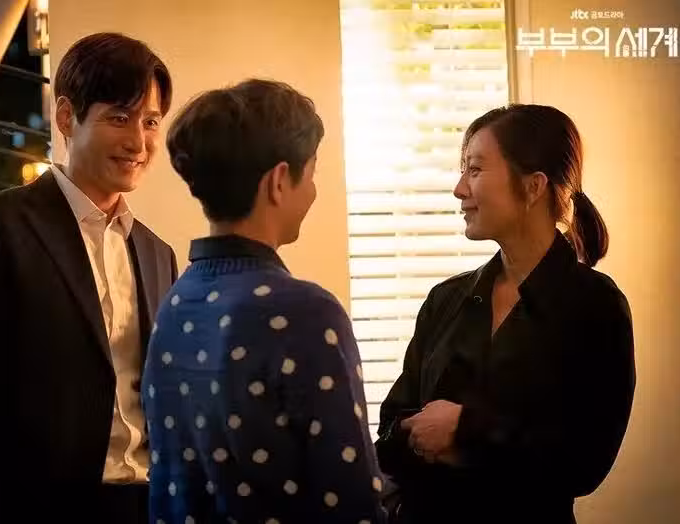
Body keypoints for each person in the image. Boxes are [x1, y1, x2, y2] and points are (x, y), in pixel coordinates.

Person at [0, 32, 176, 523]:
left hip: (147, 505)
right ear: (66, 117)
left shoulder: (157, 253)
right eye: (119, 117)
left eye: (150, 122)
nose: (138, 142)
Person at [375, 104, 636, 524]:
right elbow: (390, 431)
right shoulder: (445, 299)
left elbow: (584, 462)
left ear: (533, 187)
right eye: (463, 170)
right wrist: (426, 436)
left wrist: (464, 431)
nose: (459, 189)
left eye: (475, 170)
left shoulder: (595, 306)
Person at [141, 79, 387, 524]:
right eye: (311, 173)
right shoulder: (307, 313)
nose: (313, 191)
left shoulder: (175, 302)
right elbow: (349, 500)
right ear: (278, 181)